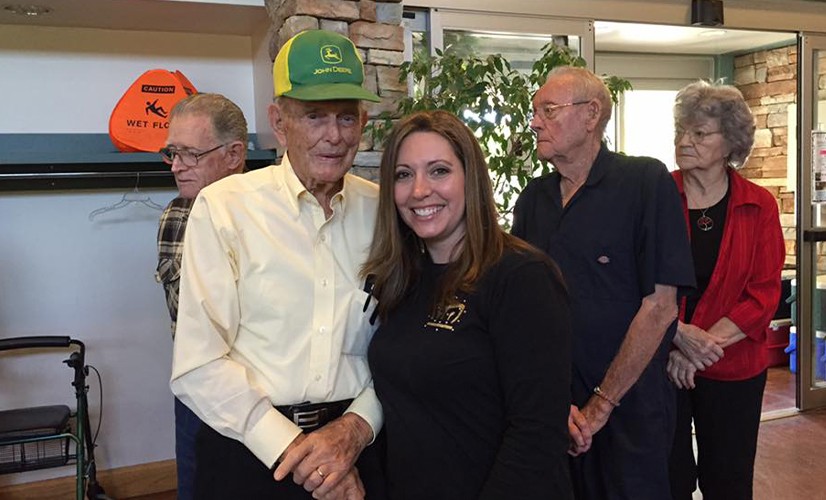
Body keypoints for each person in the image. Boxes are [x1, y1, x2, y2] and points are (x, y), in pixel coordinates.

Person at [170, 30, 386, 499]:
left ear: (363, 122)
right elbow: (197, 362)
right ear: (279, 121)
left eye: (347, 117)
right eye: (314, 115)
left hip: (359, 447)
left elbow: (400, 345)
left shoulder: (384, 211)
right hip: (249, 454)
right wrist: (303, 452)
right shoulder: (224, 207)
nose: (334, 135)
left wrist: (353, 430)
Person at [362, 110, 574, 499]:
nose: (420, 190)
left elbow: (537, 434)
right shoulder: (401, 279)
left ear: (470, 177)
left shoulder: (521, 276)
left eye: (439, 171)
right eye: (403, 175)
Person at [511, 66, 695, 500]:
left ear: (591, 115)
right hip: (553, 414)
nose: (535, 121)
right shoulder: (532, 200)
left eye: (549, 110)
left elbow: (660, 307)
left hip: (628, 411)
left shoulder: (645, 182)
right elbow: (517, 311)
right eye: (535, 111)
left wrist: (600, 405)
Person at [666, 81, 784, 500]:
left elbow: (764, 294)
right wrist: (677, 339)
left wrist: (696, 350)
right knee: (668, 478)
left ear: (729, 141)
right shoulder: (657, 196)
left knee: (728, 482)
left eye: (699, 134)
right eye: (682, 131)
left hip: (733, 366)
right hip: (663, 365)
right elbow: (635, 282)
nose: (685, 141)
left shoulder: (759, 205)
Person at [155, 92, 248, 500]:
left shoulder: (271, 216)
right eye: (172, 153)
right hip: (195, 396)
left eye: (190, 154)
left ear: (234, 154)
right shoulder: (174, 216)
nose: (176, 166)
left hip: (259, 393)